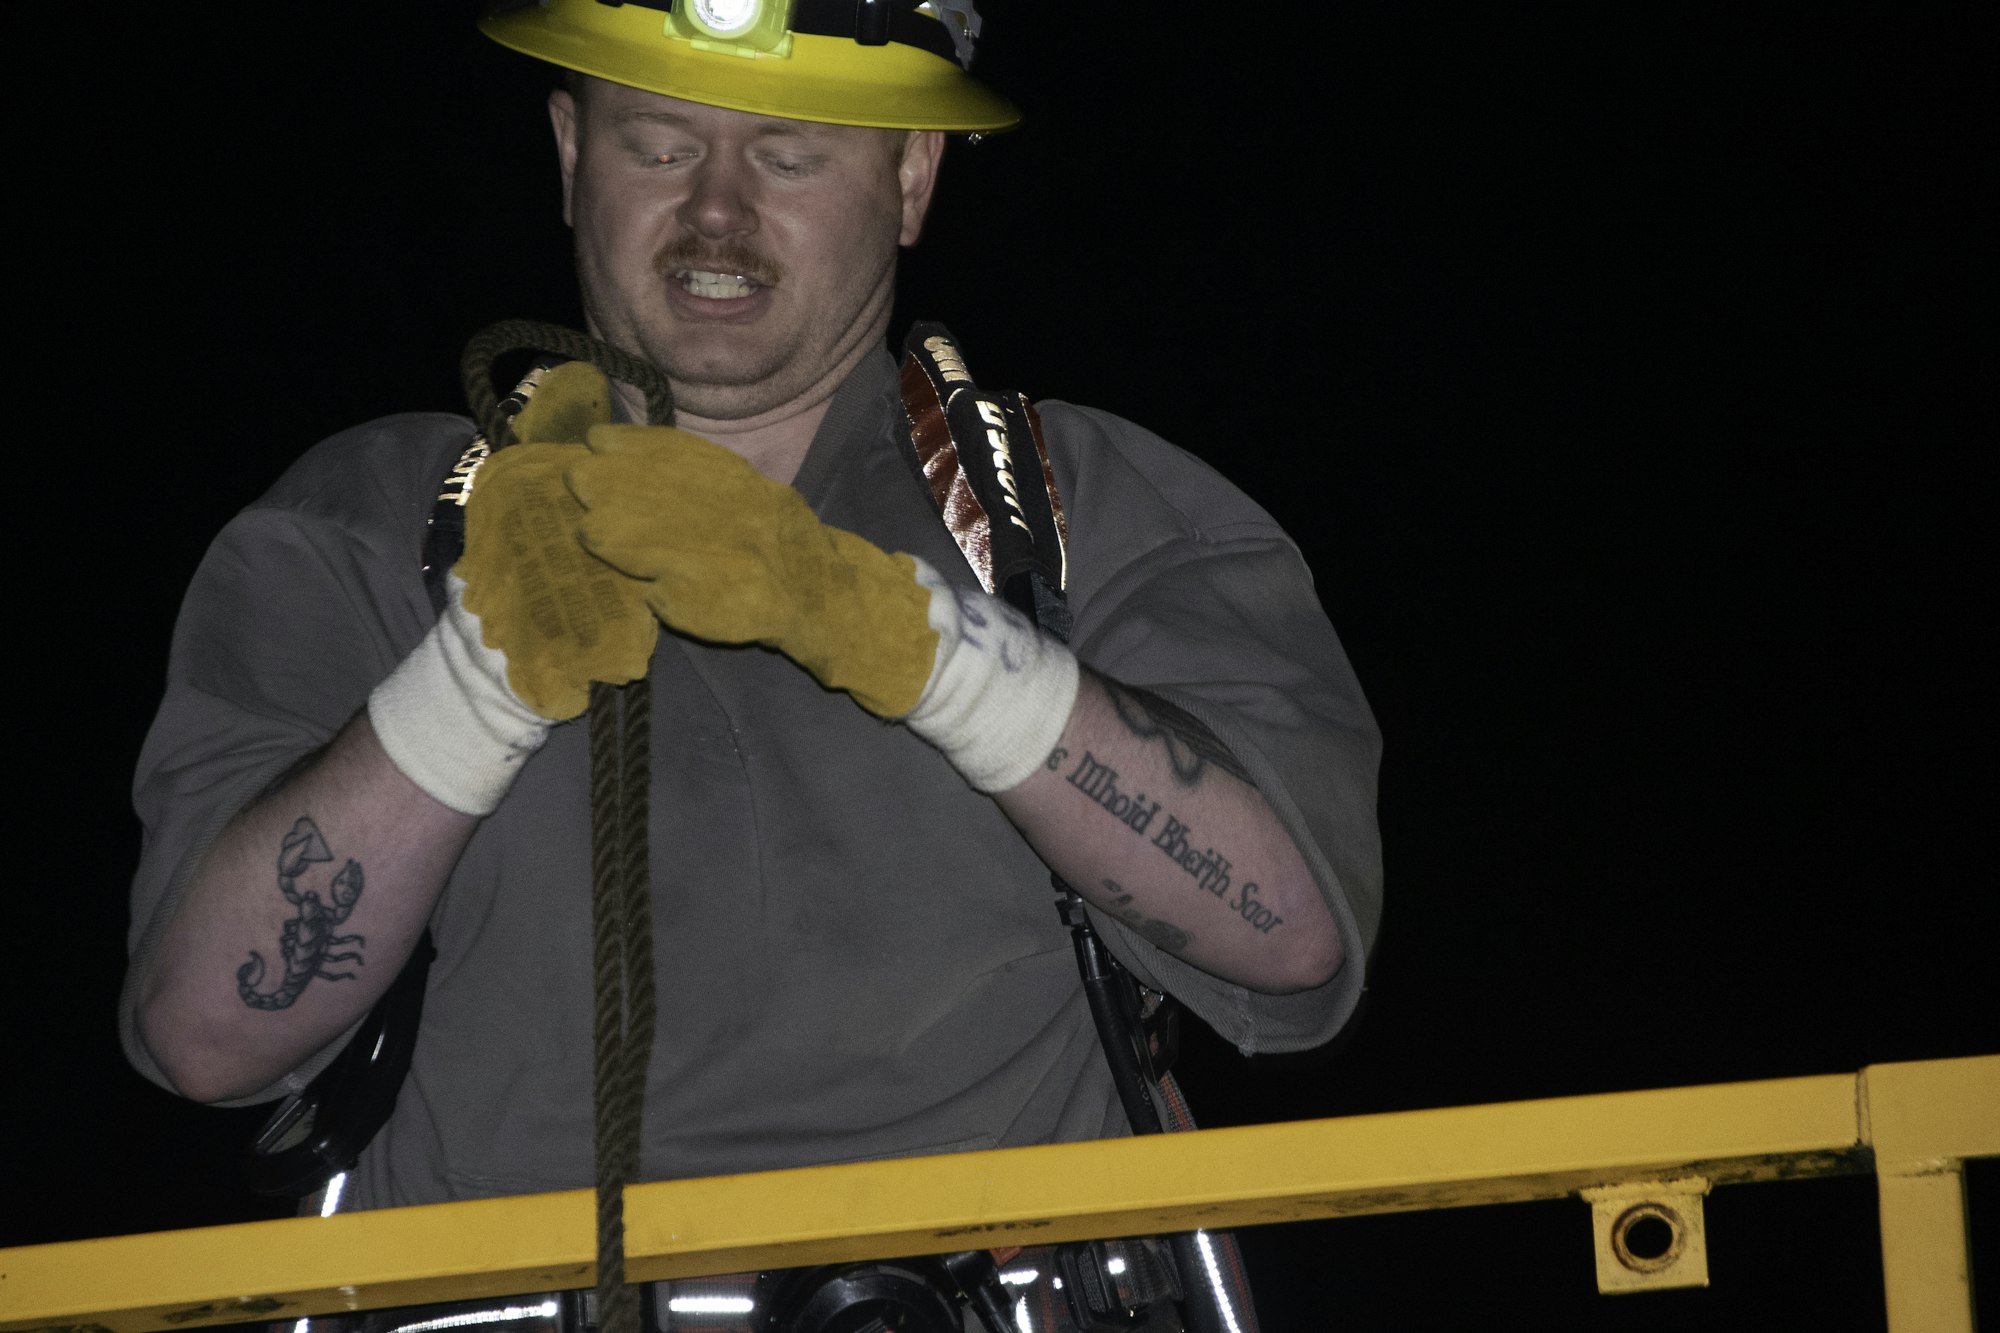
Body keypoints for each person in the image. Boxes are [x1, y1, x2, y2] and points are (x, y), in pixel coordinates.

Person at [122, 0, 1379, 1250]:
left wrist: (913, 644)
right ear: (569, 156)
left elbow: (1293, 936)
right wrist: (477, 676)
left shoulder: (1070, 506)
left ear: (909, 177)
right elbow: (202, 1034)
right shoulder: (368, 525)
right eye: (659, 147)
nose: (716, 212)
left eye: (789, 156)